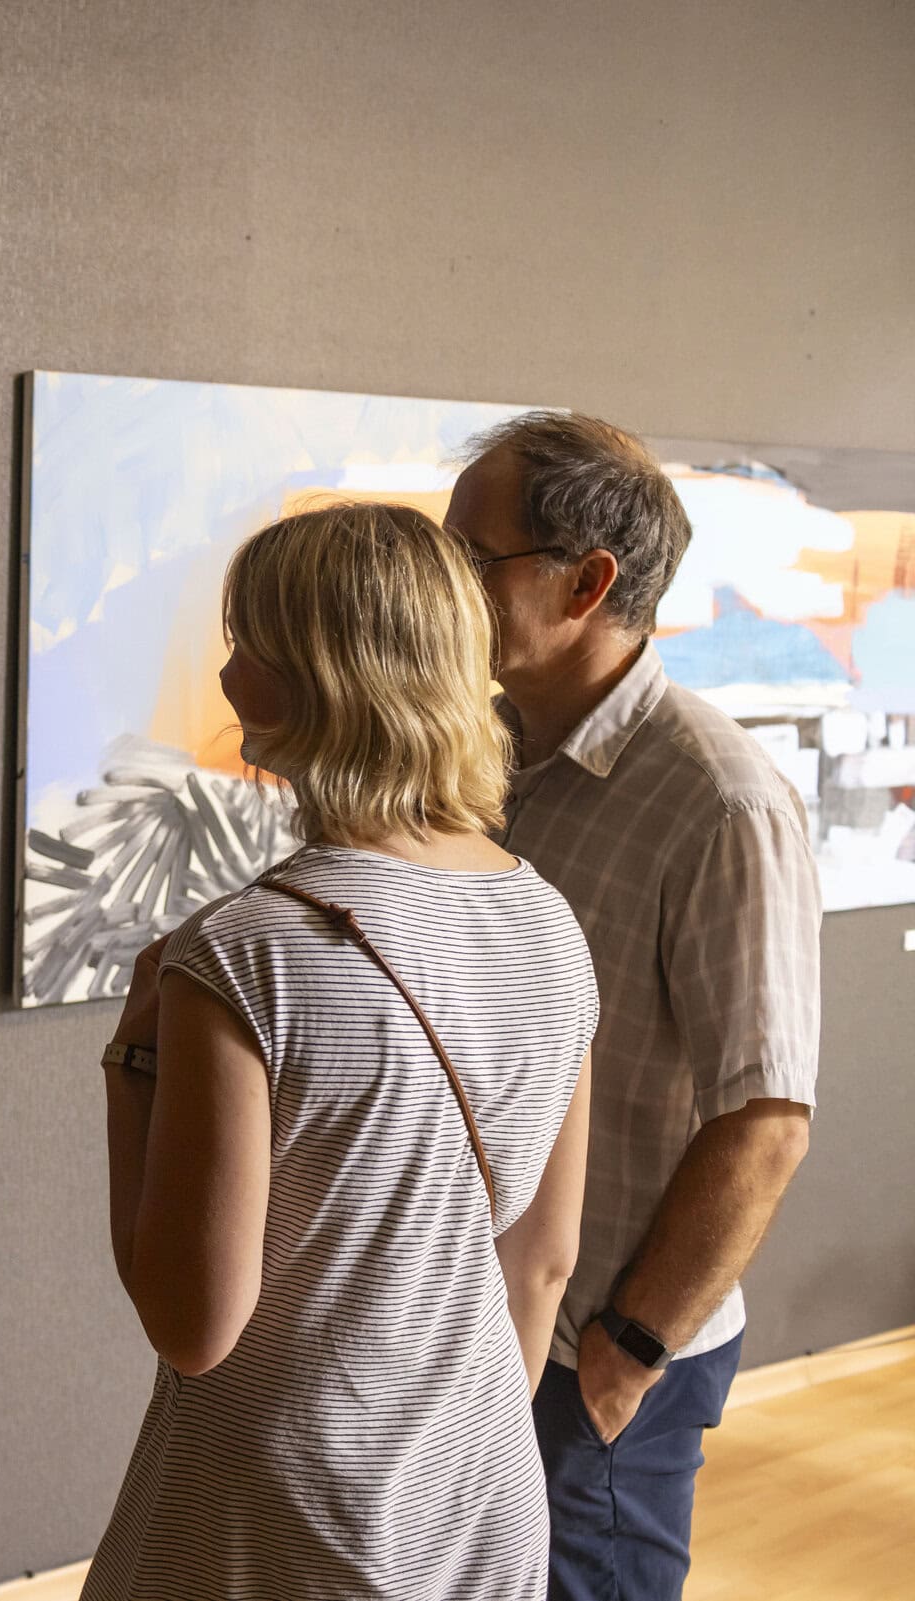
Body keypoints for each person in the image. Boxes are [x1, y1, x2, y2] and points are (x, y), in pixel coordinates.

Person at [81, 502, 597, 1599]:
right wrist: (442, 1453)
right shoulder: (550, 922)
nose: (226, 674)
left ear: (313, 675)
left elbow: (193, 1325)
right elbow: (541, 1263)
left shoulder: (245, 950)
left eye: (244, 643)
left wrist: (131, 1063)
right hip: (482, 1487)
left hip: (282, 1509)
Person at [446, 412, 817, 1601]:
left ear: (587, 582)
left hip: (594, 1354)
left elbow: (766, 1123)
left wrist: (630, 1347)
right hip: (481, 1317)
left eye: (471, 555)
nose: (440, 581)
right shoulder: (485, 754)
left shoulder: (721, 802)